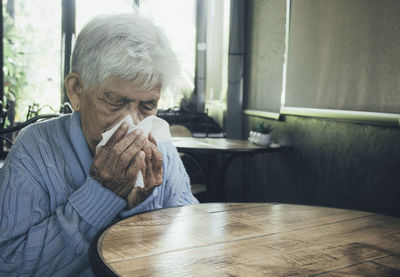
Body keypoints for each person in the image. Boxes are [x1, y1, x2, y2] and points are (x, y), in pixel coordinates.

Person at [0, 13, 199, 276]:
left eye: (148, 106)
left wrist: (143, 208)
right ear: (77, 90)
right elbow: (9, 265)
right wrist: (103, 194)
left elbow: (194, 243)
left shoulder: (161, 146)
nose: (132, 123)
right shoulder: (35, 148)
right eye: (115, 101)